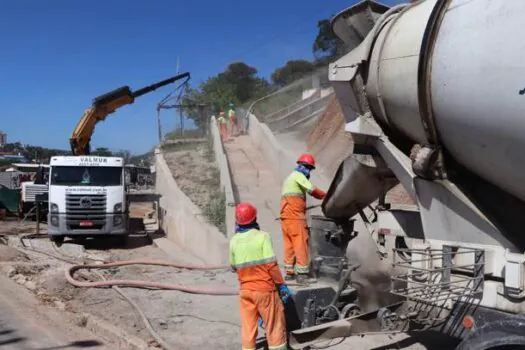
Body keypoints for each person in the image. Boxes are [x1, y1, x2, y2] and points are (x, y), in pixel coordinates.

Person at [230, 202, 290, 350]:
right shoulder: (262, 237)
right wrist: (282, 285)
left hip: (245, 291)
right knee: (274, 325)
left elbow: (234, 267)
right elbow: (271, 265)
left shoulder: (233, 241)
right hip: (264, 291)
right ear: (254, 218)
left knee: (248, 328)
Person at [280, 153, 326, 284]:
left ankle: (289, 273)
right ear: (304, 167)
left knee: (289, 245)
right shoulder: (299, 176)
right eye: (309, 168)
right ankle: (302, 275)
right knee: (300, 244)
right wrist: (325, 196)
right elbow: (312, 189)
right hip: (295, 218)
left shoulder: (289, 178)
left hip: (286, 218)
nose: (309, 171)